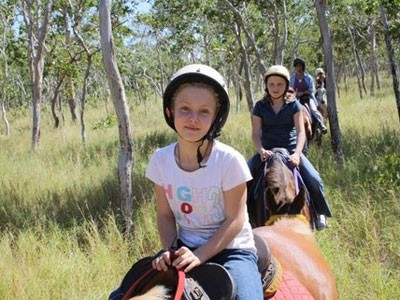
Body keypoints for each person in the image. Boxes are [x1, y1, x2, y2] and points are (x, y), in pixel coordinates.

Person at [146, 64, 263, 299]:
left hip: (233, 250)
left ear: (217, 117)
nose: (193, 119)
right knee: (121, 293)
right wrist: (170, 249)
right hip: (183, 246)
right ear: (170, 111)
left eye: (204, 111)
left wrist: (200, 255)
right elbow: (164, 215)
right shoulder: (160, 160)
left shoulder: (229, 161)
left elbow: (236, 219)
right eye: (185, 109)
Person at [248, 65, 333, 230]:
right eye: (271, 84)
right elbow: (256, 134)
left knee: (314, 179)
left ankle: (319, 215)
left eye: (279, 84)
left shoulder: (294, 105)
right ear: (266, 85)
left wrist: (296, 154)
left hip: (291, 151)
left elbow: (301, 132)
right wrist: (261, 151)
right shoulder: (260, 106)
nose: (275, 88)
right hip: (266, 152)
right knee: (241, 177)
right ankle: (243, 219)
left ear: (286, 85)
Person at [290, 58, 327, 134]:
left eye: (299, 66)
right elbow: (290, 89)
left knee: (313, 110)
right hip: (296, 98)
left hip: (308, 98)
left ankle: (321, 125)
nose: (298, 68)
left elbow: (311, 89)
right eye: (296, 66)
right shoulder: (292, 78)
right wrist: (294, 93)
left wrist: (303, 93)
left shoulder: (308, 77)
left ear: (302, 67)